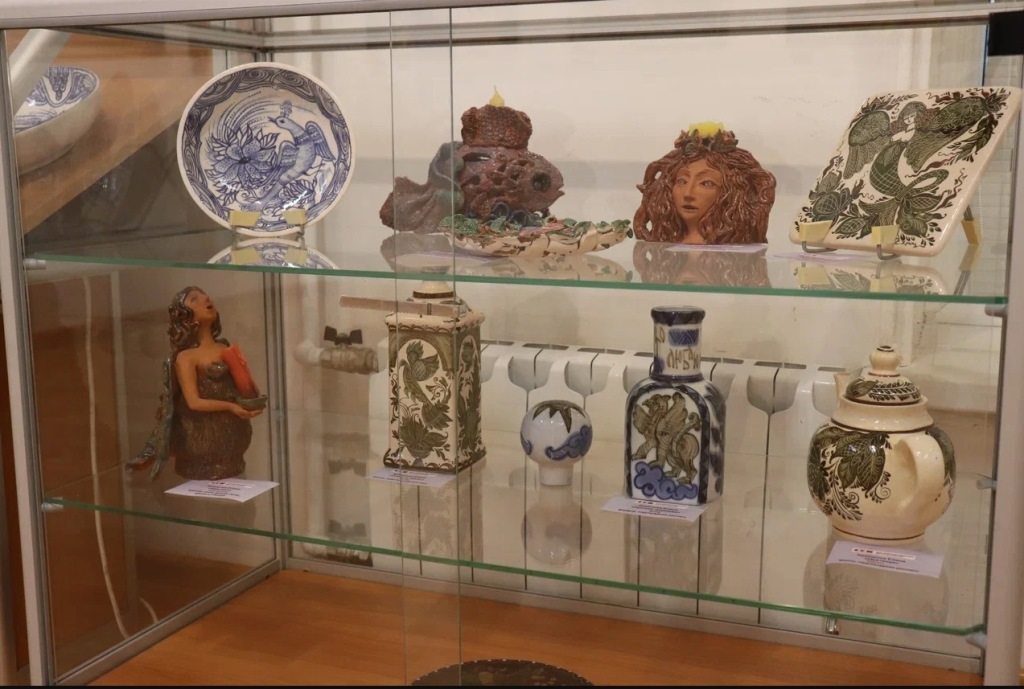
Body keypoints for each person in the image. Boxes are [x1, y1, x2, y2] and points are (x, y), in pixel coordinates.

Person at [128, 286, 263, 481]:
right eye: (194, 299)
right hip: (201, 438)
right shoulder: (186, 358)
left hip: (235, 438)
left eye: (205, 295)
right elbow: (194, 402)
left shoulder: (225, 347)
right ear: (186, 317)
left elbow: (244, 386)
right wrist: (231, 407)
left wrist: (252, 401)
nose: (206, 298)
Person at [633, 124, 777, 244]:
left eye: (706, 183)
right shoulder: (663, 246)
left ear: (731, 192)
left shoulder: (738, 248)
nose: (688, 194)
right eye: (682, 181)